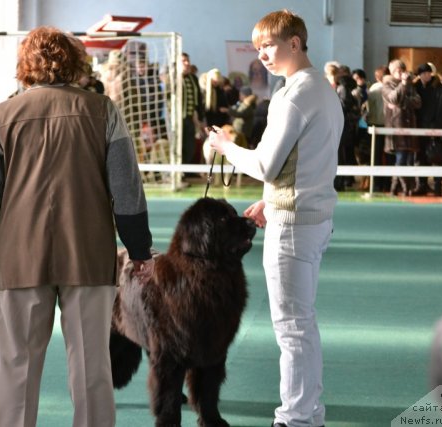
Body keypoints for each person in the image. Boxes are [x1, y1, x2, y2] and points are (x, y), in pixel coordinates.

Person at [0, 26, 154, 427]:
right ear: (76, 62)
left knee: (17, 366)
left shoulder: (2, 115)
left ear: (26, 64)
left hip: (20, 257)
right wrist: (139, 251)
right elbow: (127, 192)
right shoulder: (103, 110)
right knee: (92, 367)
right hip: (87, 256)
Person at [209, 10, 343, 427]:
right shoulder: (319, 87)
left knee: (293, 329)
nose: (262, 53)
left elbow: (266, 164)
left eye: (269, 44)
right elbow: (308, 162)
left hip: (295, 227)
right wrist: (271, 200)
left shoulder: (296, 94)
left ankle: (297, 418)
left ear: (296, 43)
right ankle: (307, 413)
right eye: (258, 46)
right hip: (309, 216)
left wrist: (225, 145)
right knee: (300, 325)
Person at [382, 59, 422, 196]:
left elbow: (418, 102)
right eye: (398, 70)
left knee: (408, 161)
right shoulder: (387, 85)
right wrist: (403, 86)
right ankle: (403, 188)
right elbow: (393, 98)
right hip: (396, 128)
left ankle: (398, 188)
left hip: (410, 128)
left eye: (402, 70)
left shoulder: (411, 86)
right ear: (392, 72)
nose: (401, 73)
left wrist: (402, 102)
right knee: (400, 159)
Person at [413, 62, 442, 196]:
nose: (425, 75)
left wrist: (437, 127)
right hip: (419, 128)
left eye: (427, 73)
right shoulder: (415, 88)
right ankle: (422, 184)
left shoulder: (439, 88)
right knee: (421, 157)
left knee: (438, 156)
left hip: (436, 129)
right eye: (422, 73)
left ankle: (438, 185)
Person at [181, 52, 205, 164]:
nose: (187, 63)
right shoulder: (172, 77)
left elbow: (198, 100)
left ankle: (188, 169)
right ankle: (178, 172)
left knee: (190, 144)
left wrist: (199, 118)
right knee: (178, 145)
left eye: (187, 61)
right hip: (176, 120)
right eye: (183, 61)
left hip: (190, 118)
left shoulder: (193, 78)